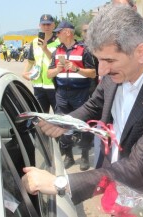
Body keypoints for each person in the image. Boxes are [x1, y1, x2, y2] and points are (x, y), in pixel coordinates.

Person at [22, 5, 143, 206]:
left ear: (140, 52)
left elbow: (137, 167)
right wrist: (64, 122)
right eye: (98, 60)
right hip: (114, 185)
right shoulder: (117, 67)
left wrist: (60, 183)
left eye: (108, 60)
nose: (102, 69)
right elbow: (96, 104)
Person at [47, 21, 96, 171]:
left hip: (80, 94)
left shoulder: (84, 50)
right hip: (62, 93)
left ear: (67, 32)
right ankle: (68, 155)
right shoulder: (57, 51)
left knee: (83, 125)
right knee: (63, 124)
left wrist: (76, 69)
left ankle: (85, 156)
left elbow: (93, 73)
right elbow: (49, 74)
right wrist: (58, 69)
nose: (56, 35)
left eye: (58, 32)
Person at [22, 14, 60, 113]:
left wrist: (45, 49)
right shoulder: (34, 42)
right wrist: (24, 73)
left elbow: (58, 61)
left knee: (58, 117)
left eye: (49, 24)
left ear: (53, 25)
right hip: (38, 86)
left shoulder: (59, 42)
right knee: (41, 117)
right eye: (44, 25)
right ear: (40, 25)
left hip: (54, 85)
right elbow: (31, 61)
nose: (46, 27)